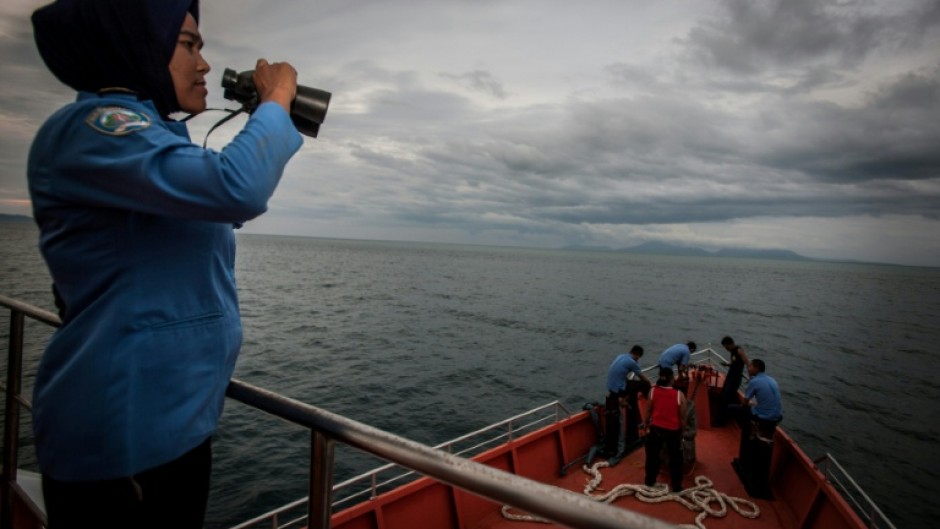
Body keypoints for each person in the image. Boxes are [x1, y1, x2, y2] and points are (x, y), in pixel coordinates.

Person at [27, 1, 303, 527]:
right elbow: (235, 187)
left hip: (173, 427)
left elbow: (217, 203)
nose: (202, 64)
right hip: (123, 437)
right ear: (136, 47)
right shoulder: (96, 127)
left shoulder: (152, 141)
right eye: (188, 45)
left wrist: (264, 120)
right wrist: (278, 99)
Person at [731, 359, 783, 498]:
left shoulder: (754, 381)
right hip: (775, 417)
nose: (748, 368)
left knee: (734, 409)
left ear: (757, 368)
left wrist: (749, 405)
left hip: (763, 417)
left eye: (751, 366)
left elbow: (744, 403)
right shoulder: (771, 380)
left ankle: (746, 459)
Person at [643, 368, 688, 492]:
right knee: (676, 460)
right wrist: (682, 433)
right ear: (671, 379)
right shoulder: (679, 395)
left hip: (655, 429)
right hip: (673, 431)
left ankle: (649, 481)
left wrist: (646, 425)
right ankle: (677, 486)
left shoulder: (652, 391)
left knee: (652, 457)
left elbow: (648, 411)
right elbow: (683, 417)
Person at [604, 345, 650, 461]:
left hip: (611, 388)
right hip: (618, 390)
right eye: (639, 358)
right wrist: (651, 384)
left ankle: (626, 399)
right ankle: (649, 400)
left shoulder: (621, 356)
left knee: (632, 383)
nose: (638, 360)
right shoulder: (632, 362)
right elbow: (643, 377)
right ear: (638, 355)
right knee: (644, 384)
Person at [715, 335, 751, 426]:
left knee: (727, 398)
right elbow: (735, 362)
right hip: (730, 375)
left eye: (726, 347)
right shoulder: (732, 351)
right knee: (723, 395)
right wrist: (727, 364)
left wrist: (751, 377)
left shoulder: (739, 350)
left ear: (729, 344)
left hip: (735, 378)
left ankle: (722, 421)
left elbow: (747, 363)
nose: (726, 349)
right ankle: (720, 419)